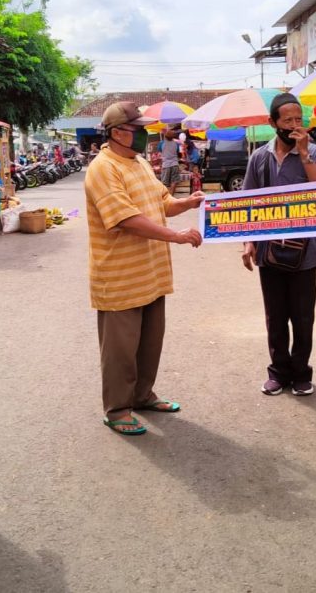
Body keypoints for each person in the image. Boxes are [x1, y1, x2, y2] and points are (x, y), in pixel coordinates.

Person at [85, 101, 204, 435]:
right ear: (118, 133)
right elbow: (125, 219)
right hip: (119, 277)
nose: (144, 134)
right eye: (138, 129)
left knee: (150, 342)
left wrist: (188, 202)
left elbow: (161, 202)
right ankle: (118, 408)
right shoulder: (103, 168)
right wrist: (175, 236)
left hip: (150, 272)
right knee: (120, 350)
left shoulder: (137, 163)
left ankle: (142, 394)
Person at [242, 93, 316, 396]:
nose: (295, 126)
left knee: (303, 315)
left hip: (304, 251)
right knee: (275, 315)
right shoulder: (259, 157)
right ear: (273, 123)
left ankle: (301, 373)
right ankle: (278, 372)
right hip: (269, 251)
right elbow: (247, 205)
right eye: (288, 120)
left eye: (299, 120)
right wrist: (248, 244)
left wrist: (305, 155)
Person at [159, 129, 181, 195]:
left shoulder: (161, 143)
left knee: (164, 183)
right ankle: (171, 196)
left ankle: (166, 197)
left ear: (165, 136)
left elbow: (160, 151)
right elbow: (177, 152)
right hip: (175, 164)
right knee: (174, 181)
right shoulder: (176, 144)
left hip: (166, 165)